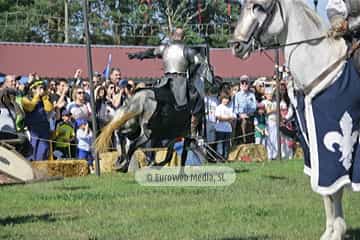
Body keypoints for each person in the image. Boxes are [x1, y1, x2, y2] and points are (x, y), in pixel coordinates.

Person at [128, 27, 207, 110]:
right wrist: (191, 75)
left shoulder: (164, 48)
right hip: (180, 83)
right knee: (196, 98)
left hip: (165, 81)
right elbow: (199, 62)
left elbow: (150, 52)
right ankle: (193, 118)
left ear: (172, 36)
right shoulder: (188, 50)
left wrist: (137, 55)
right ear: (184, 38)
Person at [22, 79, 54, 161]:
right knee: (32, 149)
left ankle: (40, 168)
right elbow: (30, 107)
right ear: (32, 89)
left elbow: (49, 109)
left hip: (44, 128)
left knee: (44, 149)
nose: (42, 90)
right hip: (33, 129)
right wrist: (36, 96)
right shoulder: (25, 99)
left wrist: (44, 98)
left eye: (43, 88)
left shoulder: (44, 99)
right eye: (39, 88)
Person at [326, 0, 360, 70]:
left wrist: (349, 26)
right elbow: (335, 17)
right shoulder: (334, 3)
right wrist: (338, 25)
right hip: (351, 39)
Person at [233, 75, 257, 145]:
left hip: (249, 117)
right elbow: (235, 108)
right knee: (240, 139)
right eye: (242, 83)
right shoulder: (237, 95)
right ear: (240, 84)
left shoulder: (251, 95)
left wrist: (247, 113)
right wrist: (240, 114)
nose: (244, 84)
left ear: (248, 84)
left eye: (246, 83)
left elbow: (254, 106)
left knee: (250, 138)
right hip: (240, 119)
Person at [215, 94, 236, 161]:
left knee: (226, 145)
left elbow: (233, 117)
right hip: (220, 129)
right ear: (221, 99)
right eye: (224, 99)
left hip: (228, 129)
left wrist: (225, 118)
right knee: (220, 144)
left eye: (227, 99)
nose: (226, 100)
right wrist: (228, 118)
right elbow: (219, 118)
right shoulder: (218, 107)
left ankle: (225, 158)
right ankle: (219, 158)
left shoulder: (229, 108)